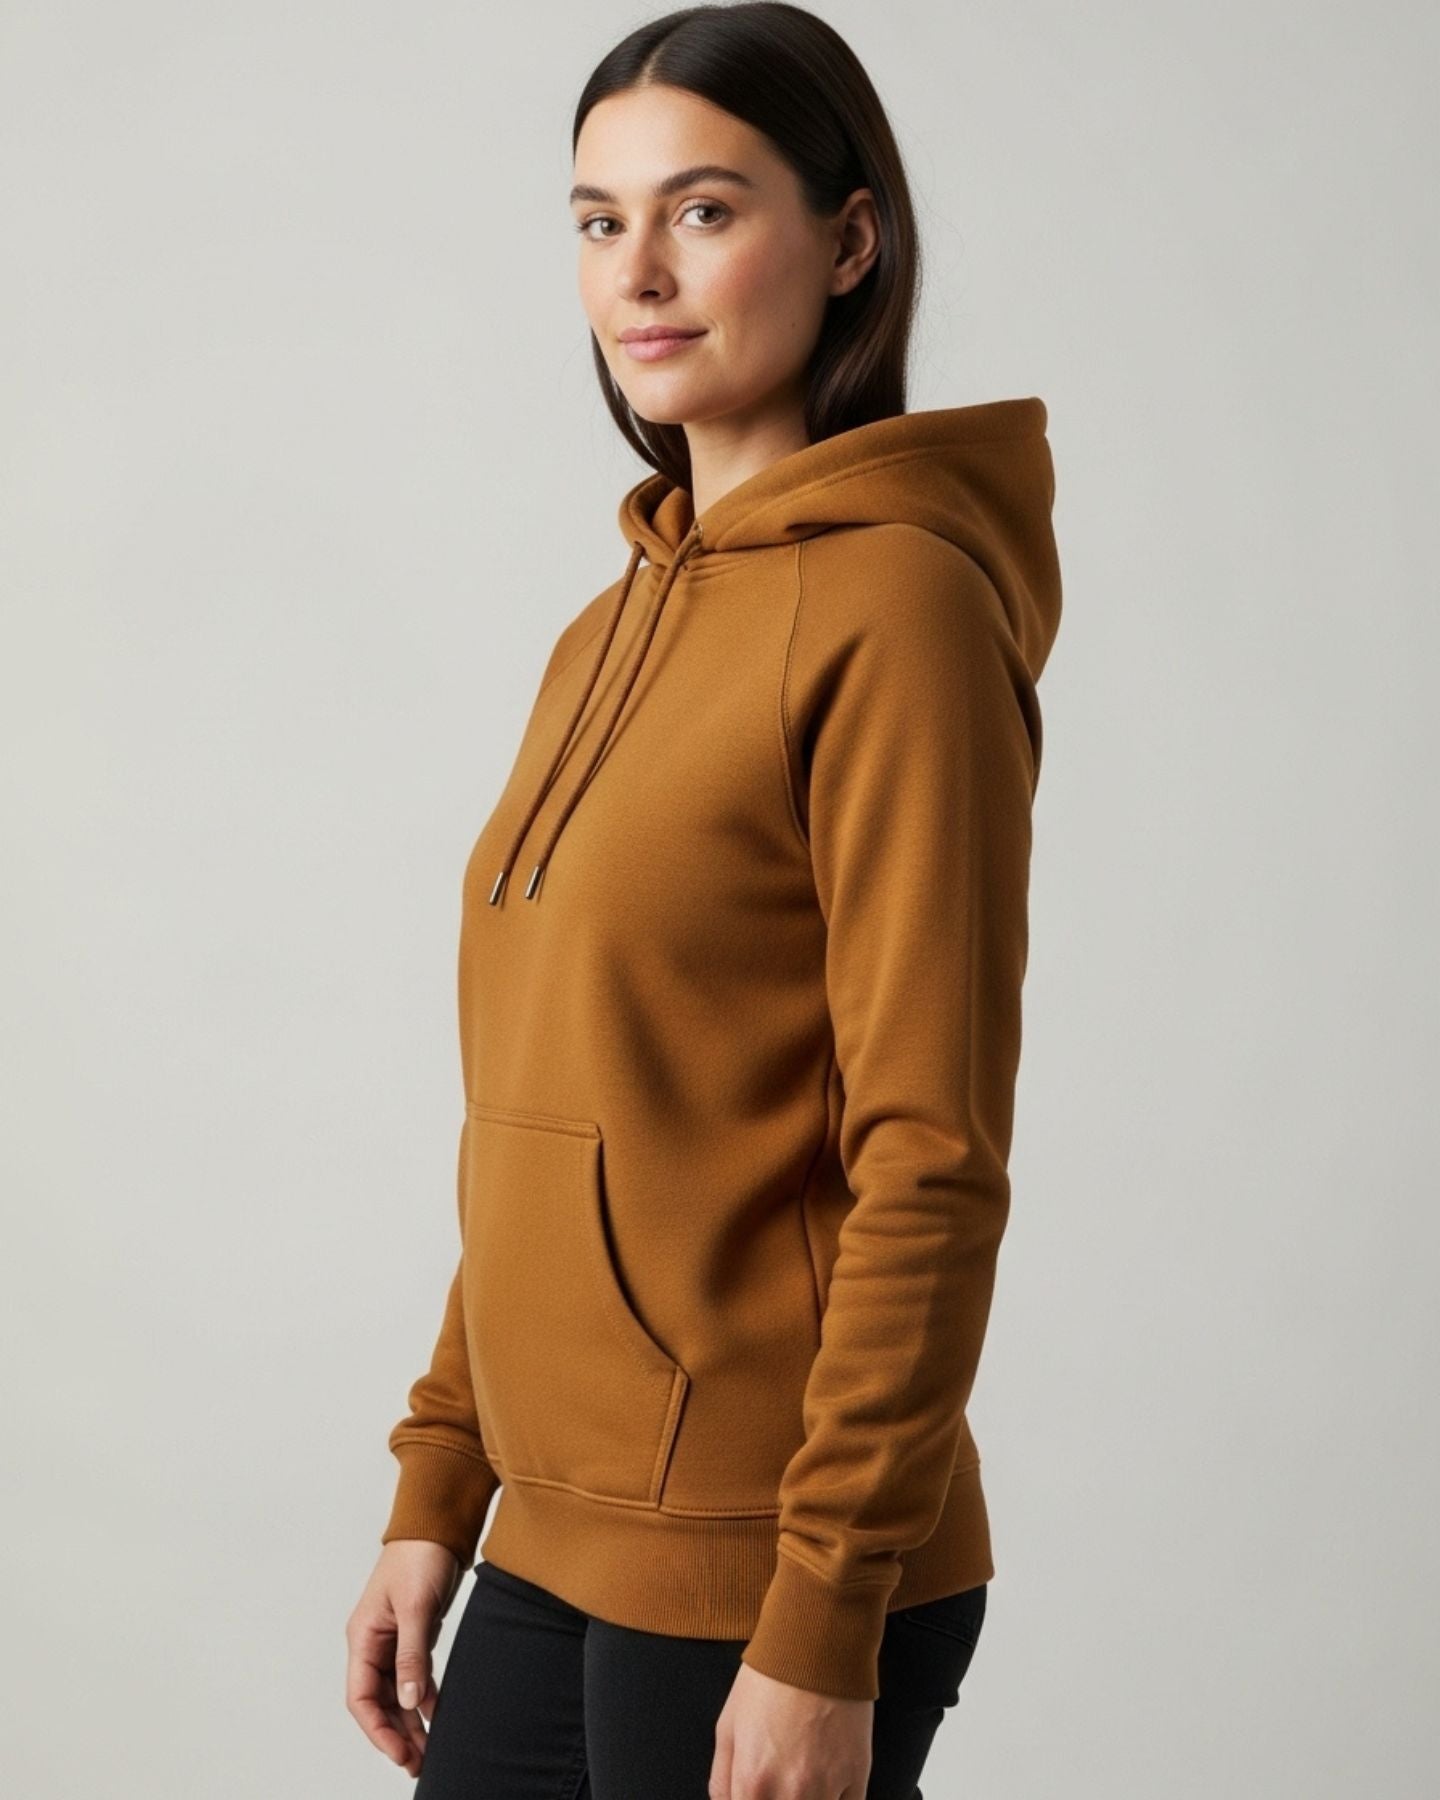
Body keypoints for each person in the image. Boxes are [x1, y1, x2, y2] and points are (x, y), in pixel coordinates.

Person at [345, 4, 1062, 1795]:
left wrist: (824, 1617)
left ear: (850, 238)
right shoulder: (608, 629)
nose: (639, 274)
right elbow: (551, 1111)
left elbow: (930, 1153)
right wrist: (442, 1482)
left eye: (705, 211)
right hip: (557, 1530)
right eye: (601, 221)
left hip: (769, 1547)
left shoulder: (901, 612)